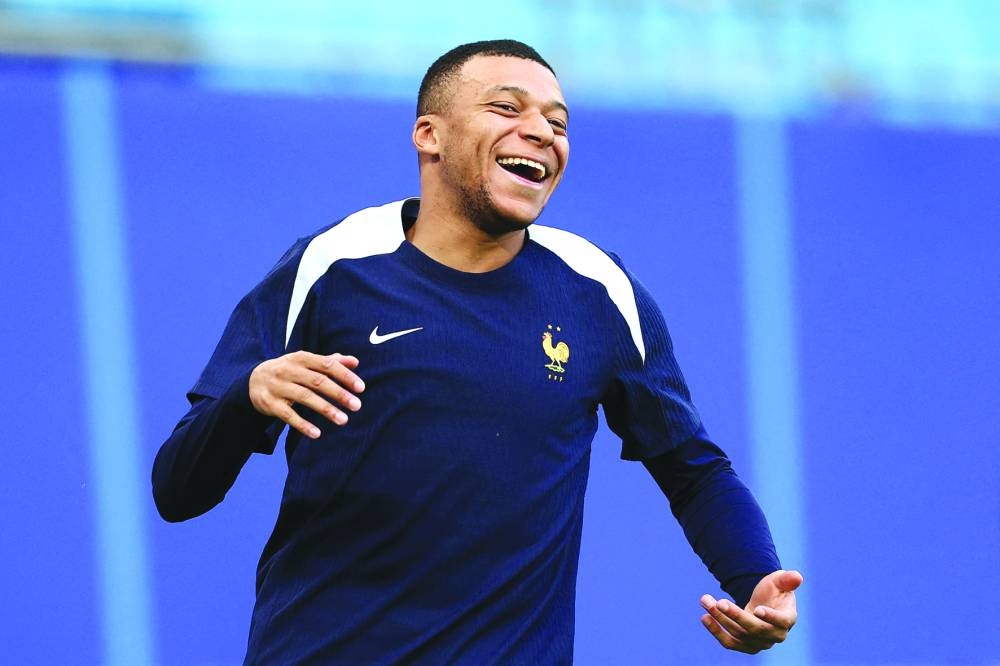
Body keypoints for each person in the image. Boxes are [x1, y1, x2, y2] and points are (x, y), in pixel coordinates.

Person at [152, 39, 801, 663]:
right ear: (428, 135)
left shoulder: (599, 291)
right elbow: (177, 491)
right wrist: (245, 398)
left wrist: (756, 577)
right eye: (507, 108)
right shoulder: (332, 267)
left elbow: (693, 469)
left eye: (558, 122)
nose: (542, 132)